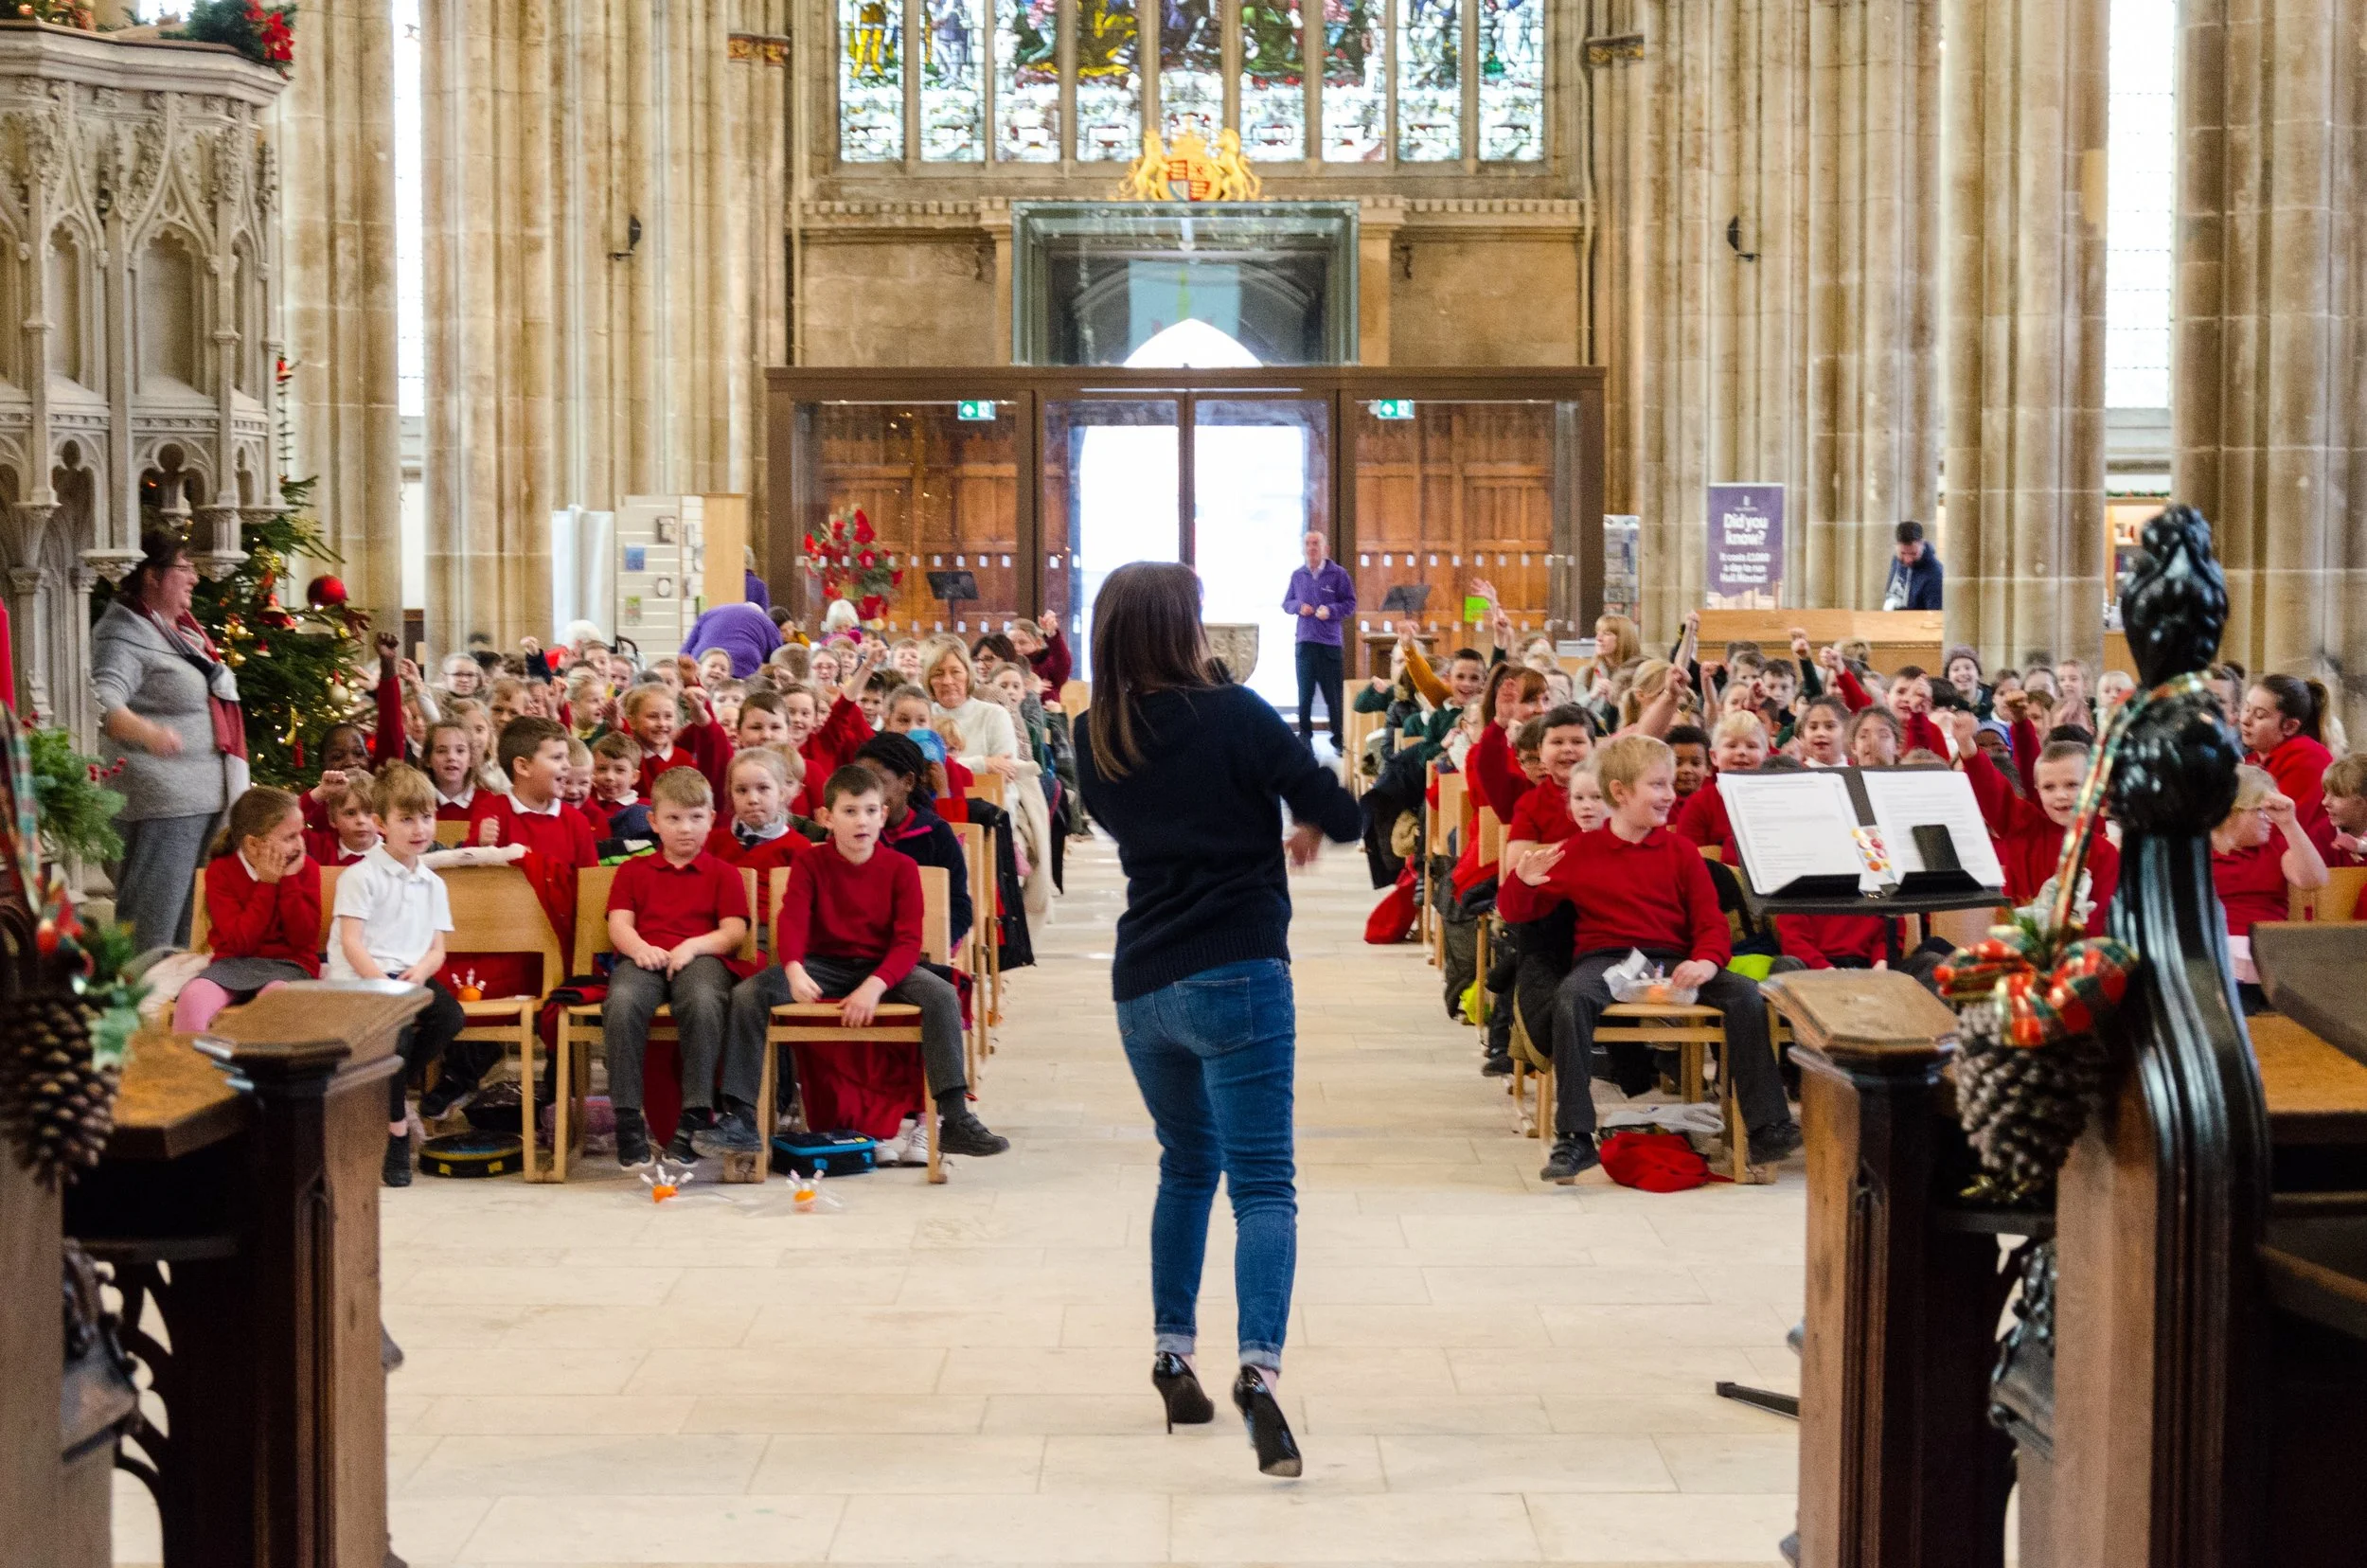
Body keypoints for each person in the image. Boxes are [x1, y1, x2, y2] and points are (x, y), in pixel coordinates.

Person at [1075, 561, 1361, 1480]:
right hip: (1236, 968)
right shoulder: (1235, 712)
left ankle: (1171, 1351)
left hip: (1142, 980)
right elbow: (1344, 816)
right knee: (1264, 1184)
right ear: (1186, 627)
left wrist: (1261, 815)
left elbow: (1159, 822)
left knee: (1186, 1166)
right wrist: (1301, 813)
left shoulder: (1093, 733)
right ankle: (1258, 1375)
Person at [1501, 734, 1801, 1184]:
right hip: (1608, 959)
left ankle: (1766, 1125)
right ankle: (1576, 1135)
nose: (1668, 795)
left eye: (1667, 786)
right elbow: (1517, 913)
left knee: (1743, 994)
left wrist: (1707, 962)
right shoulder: (1579, 851)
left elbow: (1710, 923)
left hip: (1672, 959)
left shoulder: (1680, 851)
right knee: (1571, 997)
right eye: (1656, 786)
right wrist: (1522, 882)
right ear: (1620, 793)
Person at [729, 763, 1006, 1168]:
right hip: (823, 965)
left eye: (871, 810)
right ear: (827, 818)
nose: (863, 821)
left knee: (942, 993)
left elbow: (908, 942)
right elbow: (792, 920)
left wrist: (875, 985)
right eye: (850, 811)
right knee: (747, 994)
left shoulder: (901, 868)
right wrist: (792, 968)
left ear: (883, 814)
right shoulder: (811, 863)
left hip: (884, 967)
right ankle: (738, 1116)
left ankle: (954, 1116)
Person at [93, 531, 251, 952]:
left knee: (188, 933)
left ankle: (176, 1014)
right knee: (153, 929)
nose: (194, 578)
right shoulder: (122, 633)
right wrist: (149, 733)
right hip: (161, 804)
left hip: (197, 802)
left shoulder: (175, 632)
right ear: (151, 575)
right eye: (184, 567)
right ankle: (140, 1015)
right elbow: (102, 701)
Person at [325, 765, 470, 1187]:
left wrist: (421, 973)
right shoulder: (361, 876)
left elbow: (436, 950)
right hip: (363, 975)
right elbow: (352, 943)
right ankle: (396, 1134)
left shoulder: (432, 883)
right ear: (380, 824)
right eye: (406, 819)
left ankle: (381, 1086)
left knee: (450, 1017)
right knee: (399, 1035)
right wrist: (387, 986)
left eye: (426, 817)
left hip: (409, 974)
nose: (419, 828)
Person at [602, 766, 752, 1166]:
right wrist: (638, 948)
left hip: (702, 958)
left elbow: (734, 930)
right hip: (644, 956)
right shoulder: (633, 871)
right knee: (622, 1000)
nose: (685, 828)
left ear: (711, 820)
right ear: (653, 821)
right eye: (673, 818)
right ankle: (628, 1119)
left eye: (696, 817)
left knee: (703, 1001)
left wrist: (694, 947)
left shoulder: (724, 873)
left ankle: (695, 1116)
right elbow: (619, 923)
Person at [173, 787, 321, 1033]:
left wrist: (289, 882)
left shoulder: (306, 870)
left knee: (275, 1001)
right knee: (192, 998)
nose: (300, 844)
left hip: (291, 965)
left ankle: (254, 1071)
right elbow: (241, 943)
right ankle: (194, 1071)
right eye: (289, 837)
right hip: (235, 963)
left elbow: (303, 940)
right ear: (253, 844)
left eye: (300, 834)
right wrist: (267, 885)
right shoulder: (221, 873)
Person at [1281, 529, 1356, 751]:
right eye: (1308, 544)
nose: (1312, 548)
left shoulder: (1339, 574)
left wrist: (1331, 610)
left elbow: (1350, 604)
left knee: (1333, 695)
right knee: (1304, 694)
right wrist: (1298, 607)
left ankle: (1338, 738)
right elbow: (1286, 603)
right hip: (1304, 643)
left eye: (1316, 543)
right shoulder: (1297, 575)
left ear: (1326, 549)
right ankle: (1305, 736)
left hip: (1329, 645)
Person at [681, 597, 783, 678]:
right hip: (742, 667)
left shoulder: (711, 613)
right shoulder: (766, 622)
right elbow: (779, 660)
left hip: (704, 663)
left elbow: (684, 653)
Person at [1882, 520, 1944, 610]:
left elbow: (1934, 615)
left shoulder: (1935, 574)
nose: (1908, 559)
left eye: (1913, 553)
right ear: (1896, 545)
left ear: (1922, 544)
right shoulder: (1896, 560)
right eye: (1903, 553)